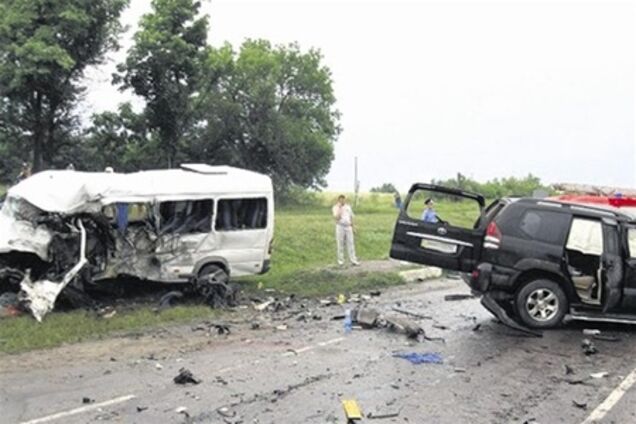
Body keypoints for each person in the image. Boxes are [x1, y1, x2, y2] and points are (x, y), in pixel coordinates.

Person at [332, 195, 359, 266]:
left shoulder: (348, 207)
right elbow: (337, 218)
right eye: (341, 200)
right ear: (338, 200)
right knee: (340, 243)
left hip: (348, 226)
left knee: (351, 243)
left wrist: (353, 227)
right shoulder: (335, 207)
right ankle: (341, 261)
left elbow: (351, 217)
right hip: (340, 226)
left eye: (343, 200)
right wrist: (340, 208)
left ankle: (353, 260)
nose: (342, 201)